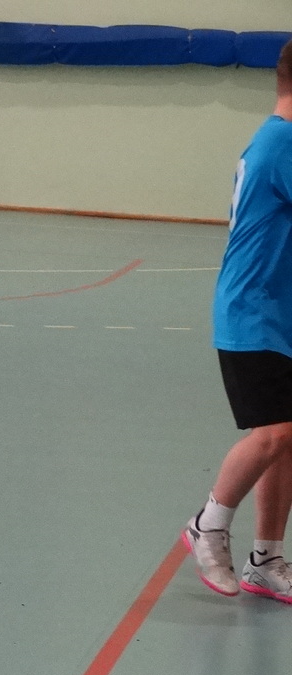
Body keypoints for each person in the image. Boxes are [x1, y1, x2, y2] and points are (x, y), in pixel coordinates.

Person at [184, 40, 292, 605]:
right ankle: (209, 524)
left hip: (279, 312)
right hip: (254, 312)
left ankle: (266, 560)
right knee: (274, 433)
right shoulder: (284, 142)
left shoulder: (275, 138)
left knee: (288, 438)